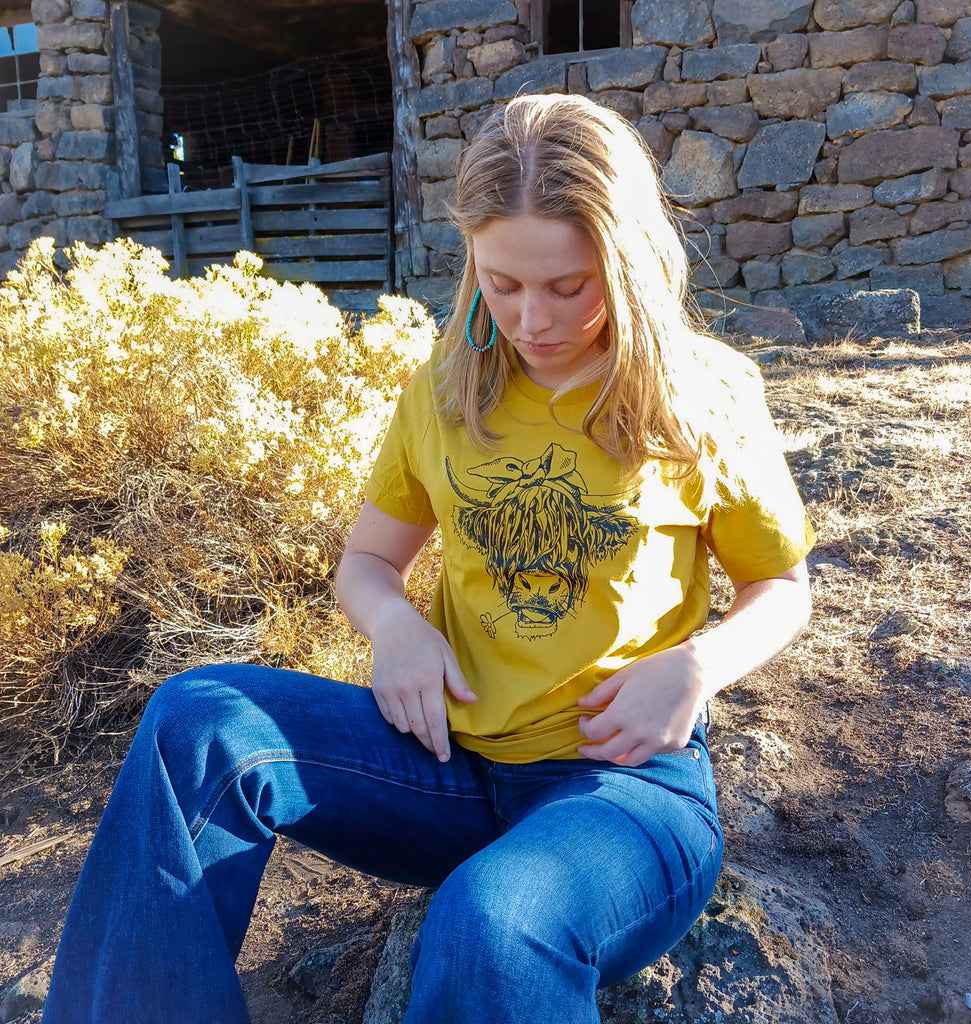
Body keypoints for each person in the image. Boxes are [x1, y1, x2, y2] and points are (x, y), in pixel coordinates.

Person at [42, 93, 814, 1024]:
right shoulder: (445, 391)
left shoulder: (705, 394)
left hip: (621, 794)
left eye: (568, 285)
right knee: (195, 726)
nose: (533, 319)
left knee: (491, 919)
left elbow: (781, 588)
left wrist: (697, 667)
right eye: (503, 282)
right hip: (441, 770)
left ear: (631, 261)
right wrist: (396, 625)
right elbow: (366, 561)